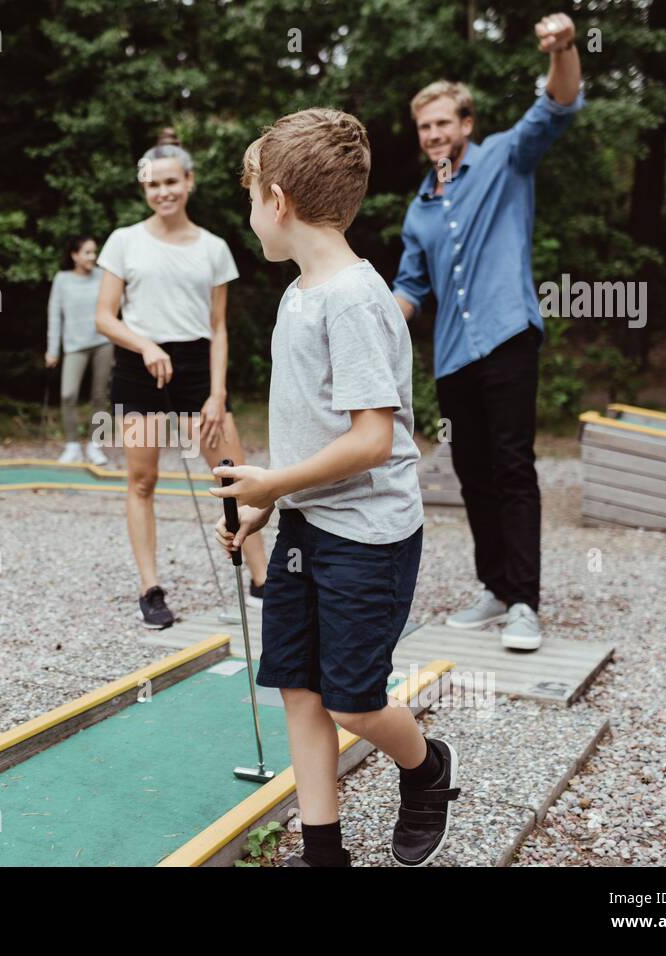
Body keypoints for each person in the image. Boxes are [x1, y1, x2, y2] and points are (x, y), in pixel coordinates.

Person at [215, 108, 458, 867]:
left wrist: (274, 480)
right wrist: (267, 503)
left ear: (278, 201)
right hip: (306, 530)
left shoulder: (354, 299)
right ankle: (325, 854)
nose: (250, 212)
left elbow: (373, 440)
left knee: (353, 699)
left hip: (369, 538)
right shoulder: (298, 295)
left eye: (251, 194)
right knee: (297, 687)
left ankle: (425, 769)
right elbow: (313, 429)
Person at [392, 12, 584, 651]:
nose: (434, 133)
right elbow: (412, 290)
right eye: (425, 126)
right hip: (452, 357)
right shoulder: (419, 211)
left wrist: (563, 48)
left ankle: (526, 603)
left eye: (444, 121)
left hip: (506, 336)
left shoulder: (505, 156)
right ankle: (495, 588)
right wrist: (374, 315)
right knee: (471, 472)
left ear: (466, 125)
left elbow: (557, 106)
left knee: (512, 466)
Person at [95, 128, 268, 628]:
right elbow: (105, 317)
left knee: (231, 477)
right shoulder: (123, 241)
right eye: (153, 184)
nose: (163, 191)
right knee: (143, 480)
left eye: (172, 181)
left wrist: (217, 393)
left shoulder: (213, 248)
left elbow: (218, 327)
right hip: (138, 364)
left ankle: (262, 582)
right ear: (144, 189)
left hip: (197, 368)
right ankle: (150, 589)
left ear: (189, 182)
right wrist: (145, 344)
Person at [45, 236, 111, 465]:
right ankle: (72, 445)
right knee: (68, 394)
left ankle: (95, 445)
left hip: (103, 343)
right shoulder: (62, 280)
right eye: (87, 252)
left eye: (94, 252)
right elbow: (55, 316)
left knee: (100, 396)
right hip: (74, 345)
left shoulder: (103, 276)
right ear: (74, 255)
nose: (92, 257)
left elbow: (114, 307)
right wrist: (52, 350)